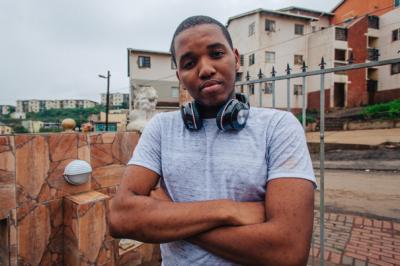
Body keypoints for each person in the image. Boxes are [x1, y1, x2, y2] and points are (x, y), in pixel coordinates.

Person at [110, 15, 316, 266]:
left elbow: (288, 253)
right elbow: (120, 217)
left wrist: (169, 214)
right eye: (189, 62)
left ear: (236, 58)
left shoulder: (279, 127)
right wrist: (230, 210)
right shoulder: (161, 128)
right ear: (179, 76)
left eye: (216, 54)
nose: (205, 69)